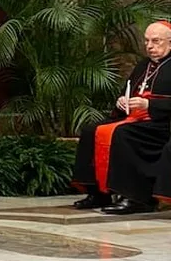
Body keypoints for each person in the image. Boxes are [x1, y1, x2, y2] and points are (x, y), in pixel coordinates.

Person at [71, 21, 171, 214]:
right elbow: (128, 90)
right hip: (135, 119)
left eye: (156, 41)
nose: (150, 46)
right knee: (91, 130)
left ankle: (135, 197)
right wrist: (122, 102)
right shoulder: (143, 65)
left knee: (121, 134)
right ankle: (98, 193)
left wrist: (150, 105)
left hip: (161, 124)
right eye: (147, 41)